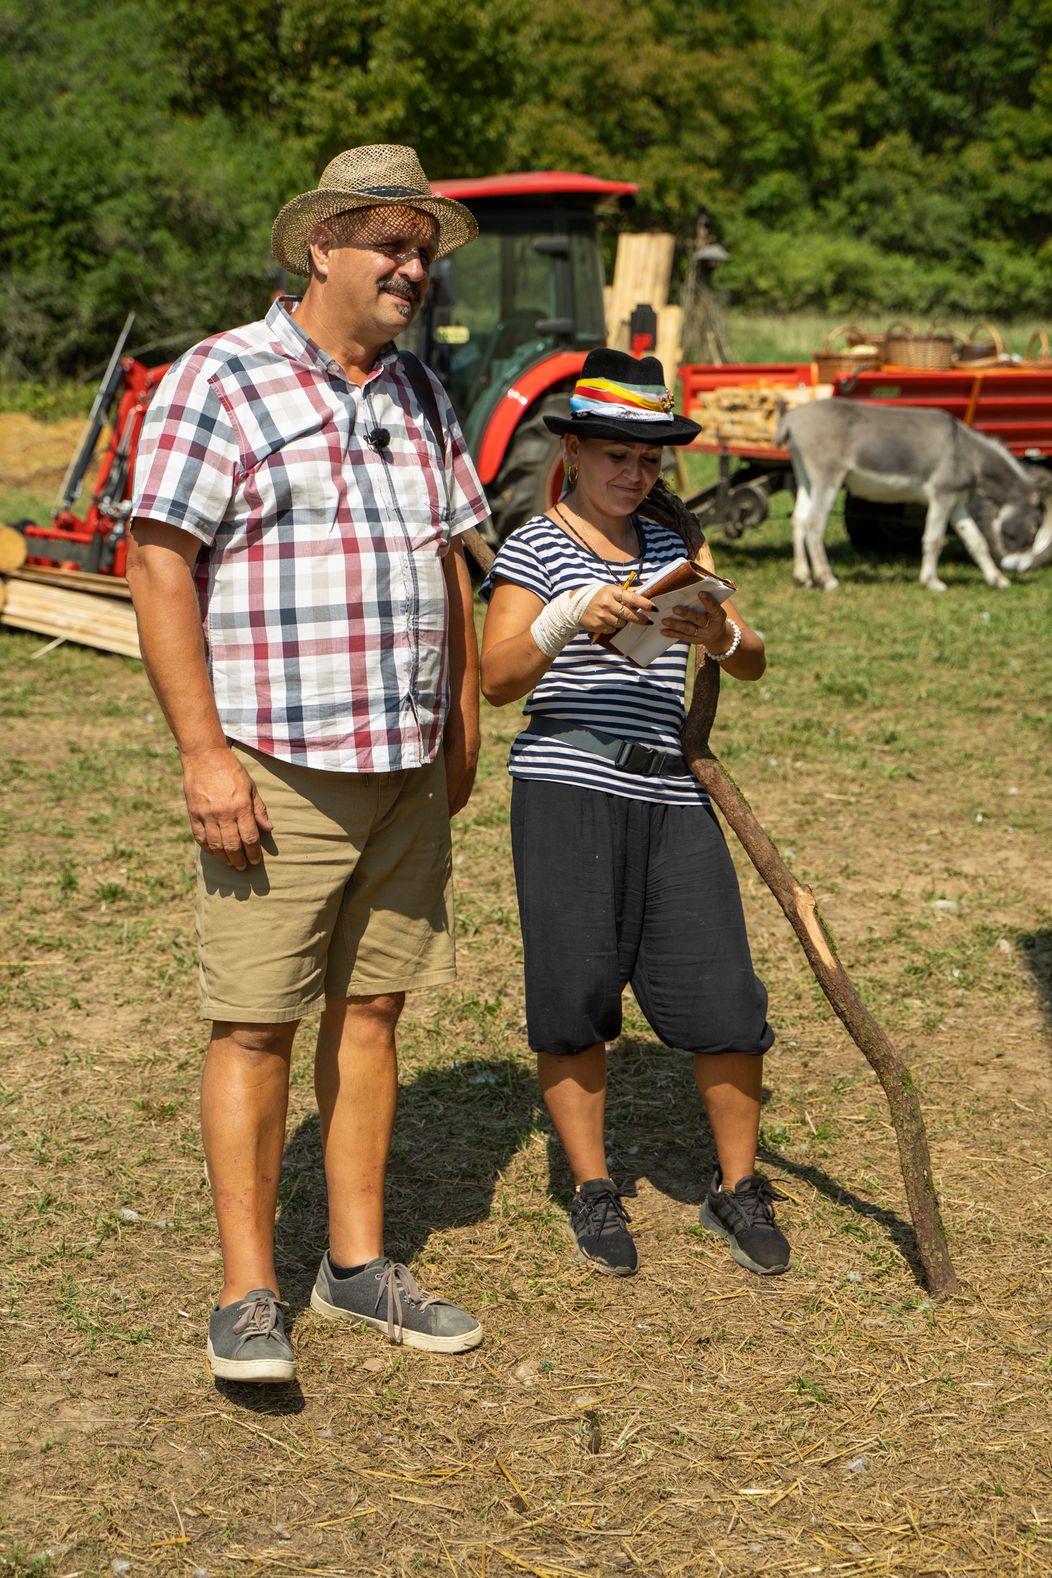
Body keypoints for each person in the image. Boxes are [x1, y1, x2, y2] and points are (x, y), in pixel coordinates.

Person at [127, 145, 490, 1383]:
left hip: (401, 767)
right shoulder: (218, 380)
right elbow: (159, 561)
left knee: (375, 1011)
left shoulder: (418, 393)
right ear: (319, 247)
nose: (412, 265)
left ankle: (354, 1266)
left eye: (423, 247)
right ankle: (245, 1293)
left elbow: (450, 558)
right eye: (391, 241)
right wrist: (203, 756)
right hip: (274, 763)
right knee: (254, 1027)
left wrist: (460, 726)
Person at [480, 348, 790, 1280]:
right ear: (573, 450)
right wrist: (570, 616)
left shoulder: (674, 550)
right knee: (574, 994)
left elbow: (754, 659)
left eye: (650, 460)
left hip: (670, 788)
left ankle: (738, 1188)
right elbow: (497, 679)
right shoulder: (534, 545)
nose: (634, 473)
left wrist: (720, 631)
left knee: (726, 994)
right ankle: (593, 1188)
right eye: (616, 454)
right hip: (566, 783)